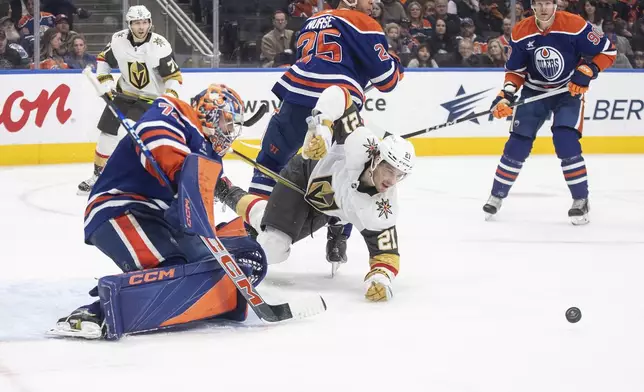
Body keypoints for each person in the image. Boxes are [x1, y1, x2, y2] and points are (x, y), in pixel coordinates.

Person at [49, 84, 265, 339]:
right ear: (211, 113)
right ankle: (93, 313)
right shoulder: (175, 111)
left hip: (156, 217)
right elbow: (155, 135)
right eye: (228, 123)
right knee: (170, 267)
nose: (230, 133)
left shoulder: (205, 151)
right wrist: (181, 176)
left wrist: (251, 216)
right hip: (120, 209)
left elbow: (216, 189)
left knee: (195, 268)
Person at [217, 85, 415, 302]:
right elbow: (340, 94)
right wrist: (322, 129)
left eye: (400, 175)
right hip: (305, 174)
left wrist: (380, 278)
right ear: (377, 159)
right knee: (274, 247)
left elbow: (386, 255)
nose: (392, 181)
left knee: (274, 234)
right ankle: (228, 192)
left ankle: (337, 228)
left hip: (328, 207)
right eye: (389, 170)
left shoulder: (383, 208)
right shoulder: (360, 143)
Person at [251, 0, 404, 267]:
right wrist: (396, 65)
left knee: (267, 166)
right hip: (337, 106)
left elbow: (318, 60)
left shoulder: (312, 20)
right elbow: (387, 80)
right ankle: (337, 236)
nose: (374, 3)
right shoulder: (364, 23)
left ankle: (248, 235)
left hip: (295, 98)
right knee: (349, 170)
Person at [482, 0, 616, 225]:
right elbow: (515, 71)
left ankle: (581, 199)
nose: (544, 9)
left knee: (566, 140)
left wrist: (589, 70)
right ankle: (496, 195)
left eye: (548, 3)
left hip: (568, 91)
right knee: (517, 143)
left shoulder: (575, 25)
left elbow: (608, 51)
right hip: (534, 92)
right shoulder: (521, 30)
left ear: (556, 5)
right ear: (532, 6)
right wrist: (505, 95)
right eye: (539, 4)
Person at [77, 5, 182, 195]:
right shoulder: (118, 40)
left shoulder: (160, 45)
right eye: (136, 23)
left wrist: (168, 98)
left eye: (144, 22)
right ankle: (98, 176)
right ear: (129, 24)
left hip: (150, 100)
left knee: (133, 137)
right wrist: (106, 82)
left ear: (150, 23)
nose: (141, 27)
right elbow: (103, 60)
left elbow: (173, 76)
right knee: (107, 135)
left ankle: (140, 179)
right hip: (122, 94)